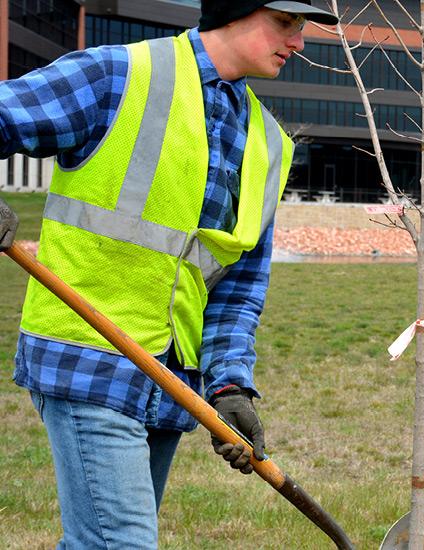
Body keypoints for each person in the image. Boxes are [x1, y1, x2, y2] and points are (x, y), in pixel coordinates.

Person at [0, 1, 337, 547]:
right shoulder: (118, 76)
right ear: (235, 9)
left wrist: (229, 386)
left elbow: (237, 288)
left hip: (169, 381)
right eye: (286, 23)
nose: (298, 42)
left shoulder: (271, 146)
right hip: (90, 356)